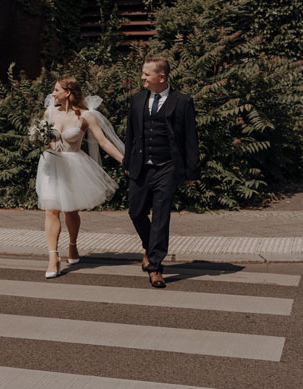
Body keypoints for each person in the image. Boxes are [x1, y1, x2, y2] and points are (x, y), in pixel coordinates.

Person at [36, 77, 125, 279]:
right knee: (51, 210)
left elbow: (103, 142)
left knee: (71, 211)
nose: (52, 93)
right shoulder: (49, 113)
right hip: (51, 165)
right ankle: (53, 257)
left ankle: (73, 246)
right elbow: (43, 141)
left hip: (73, 165)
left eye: (56, 89)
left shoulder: (86, 116)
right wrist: (43, 141)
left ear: (67, 92)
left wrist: (125, 161)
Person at [123, 56, 200, 289]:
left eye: (147, 74)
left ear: (161, 77)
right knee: (135, 212)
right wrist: (127, 162)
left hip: (168, 166)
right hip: (141, 166)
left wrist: (191, 171)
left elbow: (190, 138)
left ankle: (155, 266)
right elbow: (131, 134)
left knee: (160, 217)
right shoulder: (137, 100)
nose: (142, 77)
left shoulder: (182, 102)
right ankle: (151, 247)